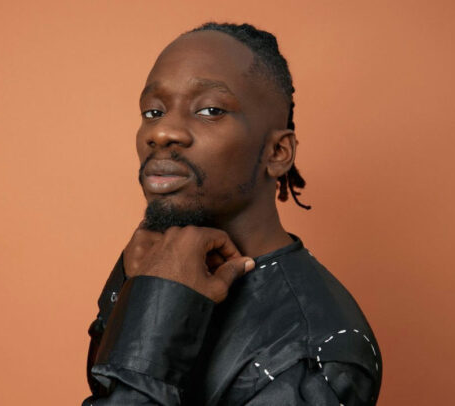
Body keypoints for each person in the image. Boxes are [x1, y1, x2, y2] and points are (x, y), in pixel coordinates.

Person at [82, 22, 382, 405]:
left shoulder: (311, 359)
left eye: (210, 110)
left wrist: (153, 314)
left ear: (278, 153)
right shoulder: (154, 273)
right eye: (153, 111)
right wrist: (137, 295)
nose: (162, 132)